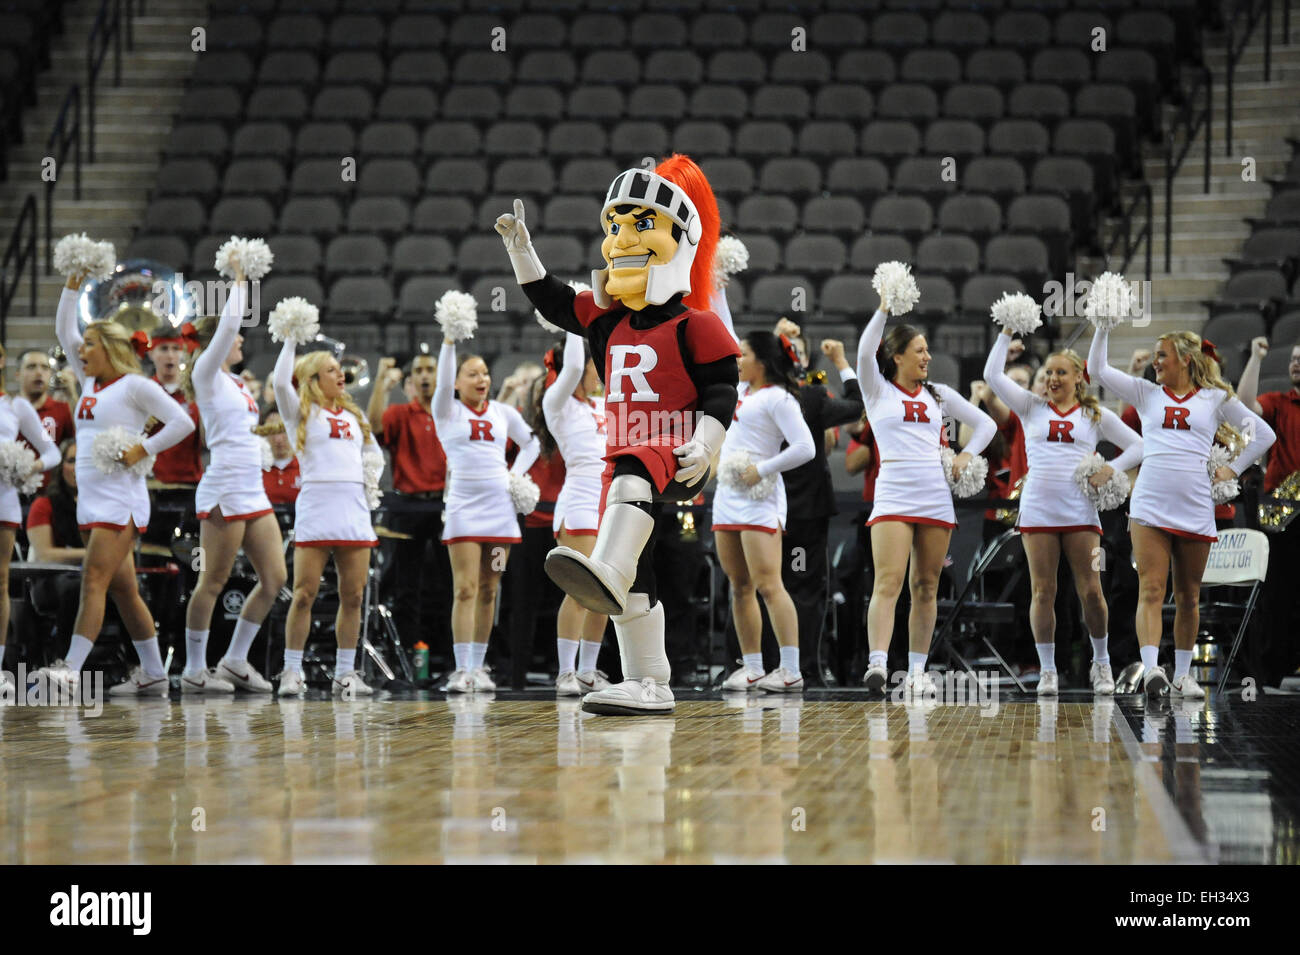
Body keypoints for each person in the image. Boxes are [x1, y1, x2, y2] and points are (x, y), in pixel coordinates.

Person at [499, 155, 741, 715]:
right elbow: (555, 300)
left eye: (638, 225)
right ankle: (648, 681)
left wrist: (706, 445)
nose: (621, 240)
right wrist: (521, 250)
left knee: (625, 536)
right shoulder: (609, 320)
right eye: (614, 227)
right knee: (640, 583)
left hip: (671, 447)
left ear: (680, 238)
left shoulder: (696, 323)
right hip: (625, 456)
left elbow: (722, 393)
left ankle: (606, 568)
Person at [1089, 324, 1275, 698]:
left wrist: (1232, 469)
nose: (1155, 362)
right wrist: (1103, 326)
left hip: (1194, 507)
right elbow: (1098, 370)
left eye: (1162, 355)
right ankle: (1154, 669)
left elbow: (1263, 435)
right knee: (1152, 589)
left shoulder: (1214, 398)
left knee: (1189, 595)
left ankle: (1185, 674)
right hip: (1149, 507)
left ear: (1185, 360)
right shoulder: (1146, 393)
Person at [39, 268, 197, 698]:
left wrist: (144, 448)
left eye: (90, 344)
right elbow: (62, 328)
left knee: (93, 580)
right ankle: (153, 672)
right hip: (91, 499)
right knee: (125, 590)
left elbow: (181, 422)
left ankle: (70, 669)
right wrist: (71, 289)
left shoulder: (134, 386)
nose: (80, 349)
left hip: (119, 499)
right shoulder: (89, 380)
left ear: (108, 348)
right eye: (83, 343)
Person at [983, 327, 1144, 695]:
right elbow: (992, 376)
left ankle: (1101, 663)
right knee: (1043, 591)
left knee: (1091, 590)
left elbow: (1139, 445)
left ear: (1078, 378)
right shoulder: (1030, 406)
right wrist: (1005, 336)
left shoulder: (1094, 414)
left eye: (1060, 373)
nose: (1052, 379)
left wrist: (1112, 468)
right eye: (1049, 373)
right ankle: (1047, 670)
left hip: (1081, 511)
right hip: (1038, 509)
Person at [856, 295, 996, 694]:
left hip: (935, 494)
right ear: (897, 356)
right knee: (888, 581)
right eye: (920, 350)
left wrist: (965, 455)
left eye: (928, 350)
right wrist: (883, 307)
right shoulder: (877, 389)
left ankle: (917, 672)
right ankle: (878, 664)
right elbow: (866, 351)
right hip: (894, 493)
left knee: (926, 586)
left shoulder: (939, 394)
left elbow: (985, 425)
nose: (928, 357)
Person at [181, 273, 287, 693]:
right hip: (224, 486)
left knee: (275, 578)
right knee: (212, 581)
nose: (241, 341)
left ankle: (234, 660)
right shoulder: (207, 374)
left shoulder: (238, 383)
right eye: (237, 337)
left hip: (252, 488)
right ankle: (192, 670)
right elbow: (226, 327)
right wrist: (240, 281)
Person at [273, 333, 382, 697]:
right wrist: (290, 338)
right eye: (331, 370)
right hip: (317, 505)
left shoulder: (354, 415)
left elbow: (374, 455)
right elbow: (278, 381)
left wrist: (370, 484)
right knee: (303, 593)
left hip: (352, 507)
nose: (341, 375)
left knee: (353, 595)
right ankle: (291, 671)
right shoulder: (300, 412)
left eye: (340, 370)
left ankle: (346, 673)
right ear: (312, 379)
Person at [433, 329, 540, 693]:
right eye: (473, 374)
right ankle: (462, 668)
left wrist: (514, 475)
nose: (482, 380)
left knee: (491, 588)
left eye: (484, 374)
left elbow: (532, 443)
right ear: (457, 382)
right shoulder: (446, 411)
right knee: (464, 589)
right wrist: (449, 341)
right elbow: (443, 377)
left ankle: (479, 667)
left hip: (499, 514)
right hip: (463, 511)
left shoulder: (503, 412)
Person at [715, 330, 816, 692]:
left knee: (769, 585)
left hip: (759, 498)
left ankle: (791, 669)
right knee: (739, 586)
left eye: (743, 354)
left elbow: (806, 448)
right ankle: (753, 667)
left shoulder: (779, 398)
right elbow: (723, 326)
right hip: (727, 496)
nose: (737, 359)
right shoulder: (739, 391)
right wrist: (719, 285)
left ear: (761, 360)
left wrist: (763, 469)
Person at [766, 324, 864, 683]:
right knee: (803, 591)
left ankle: (755, 665)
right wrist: (841, 361)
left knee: (763, 587)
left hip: (767, 510)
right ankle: (804, 667)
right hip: (804, 511)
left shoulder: (755, 394)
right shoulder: (811, 397)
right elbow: (856, 405)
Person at [367, 352, 452, 665]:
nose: (426, 375)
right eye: (419, 370)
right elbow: (374, 426)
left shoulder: (452, 413)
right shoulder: (400, 412)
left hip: (445, 504)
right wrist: (380, 383)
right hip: (408, 505)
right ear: (411, 380)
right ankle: (407, 659)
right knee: (406, 587)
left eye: (431, 369)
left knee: (451, 584)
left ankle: (452, 657)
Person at [539, 333, 612, 696]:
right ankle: (565, 671)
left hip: (608, 503)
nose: (598, 372)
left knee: (604, 590)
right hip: (580, 501)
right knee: (579, 590)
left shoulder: (601, 406)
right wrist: (575, 323)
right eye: (593, 365)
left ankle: (587, 671)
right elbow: (569, 367)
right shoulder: (558, 403)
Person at [1238, 335, 1300, 686]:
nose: (1295, 364)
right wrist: (1255, 358)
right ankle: (1272, 672)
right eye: (1292, 359)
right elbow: (1246, 406)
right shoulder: (1279, 401)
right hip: (1283, 507)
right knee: (1277, 589)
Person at [0, 363, 61, 689]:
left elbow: (51, 452)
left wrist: (28, 466)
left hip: (4, 501)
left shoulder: (15, 405)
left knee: (0, 582)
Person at [24, 439, 85, 656]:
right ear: (61, 467)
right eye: (71, 461)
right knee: (75, 589)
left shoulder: (98, 504)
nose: (78, 467)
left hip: (92, 574)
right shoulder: (44, 505)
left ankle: (139, 665)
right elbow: (45, 554)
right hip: (50, 580)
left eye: (83, 461)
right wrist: (93, 554)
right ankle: (65, 660)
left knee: (129, 589)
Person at [145, 325, 204, 486]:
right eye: (163, 349)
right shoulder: (143, 392)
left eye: (175, 348)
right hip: (153, 483)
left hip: (190, 482)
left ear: (182, 353)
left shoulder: (195, 392)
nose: (170, 355)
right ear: (151, 353)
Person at [258, 410, 301, 504]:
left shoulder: (305, 467)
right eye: (272, 432)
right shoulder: (257, 470)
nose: (278, 439)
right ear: (264, 435)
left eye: (283, 431)